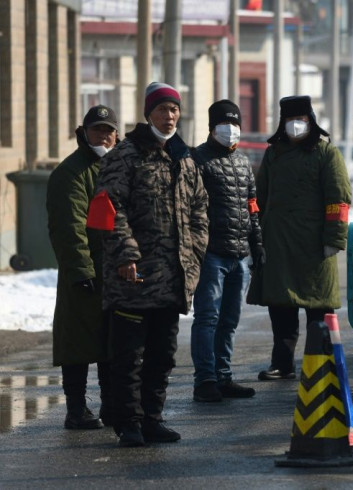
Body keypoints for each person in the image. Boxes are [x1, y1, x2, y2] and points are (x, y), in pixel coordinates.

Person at [88, 82, 209, 447]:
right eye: (162, 109)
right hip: (134, 277)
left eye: (174, 109)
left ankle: (153, 418)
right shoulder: (125, 155)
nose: (169, 116)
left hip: (172, 278)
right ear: (148, 113)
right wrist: (126, 254)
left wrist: (196, 253)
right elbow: (108, 208)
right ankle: (129, 423)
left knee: (163, 354)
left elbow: (200, 209)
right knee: (130, 356)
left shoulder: (183, 158)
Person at [247, 95, 351, 381]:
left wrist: (334, 238)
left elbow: (338, 199)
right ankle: (282, 363)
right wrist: (255, 236)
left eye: (301, 120)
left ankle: (322, 365)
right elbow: (260, 197)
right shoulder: (273, 153)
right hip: (277, 242)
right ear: (283, 122)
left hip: (316, 245)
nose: (296, 126)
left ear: (311, 121)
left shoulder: (326, 153)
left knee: (318, 308)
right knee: (281, 308)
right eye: (291, 120)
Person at [46, 105, 119, 430]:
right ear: (84, 133)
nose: (103, 136)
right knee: (77, 344)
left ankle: (110, 406)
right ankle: (76, 409)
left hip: (117, 271)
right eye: (97, 130)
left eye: (108, 130)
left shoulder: (118, 167)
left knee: (112, 344)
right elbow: (69, 227)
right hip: (86, 272)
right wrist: (81, 270)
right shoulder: (71, 172)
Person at [189, 100, 264, 402]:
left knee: (229, 320)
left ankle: (224, 375)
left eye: (234, 124)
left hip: (239, 255)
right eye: (224, 124)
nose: (230, 129)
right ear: (211, 127)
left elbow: (252, 207)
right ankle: (205, 380)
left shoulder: (244, 163)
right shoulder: (197, 160)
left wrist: (257, 243)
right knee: (207, 318)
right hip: (211, 254)